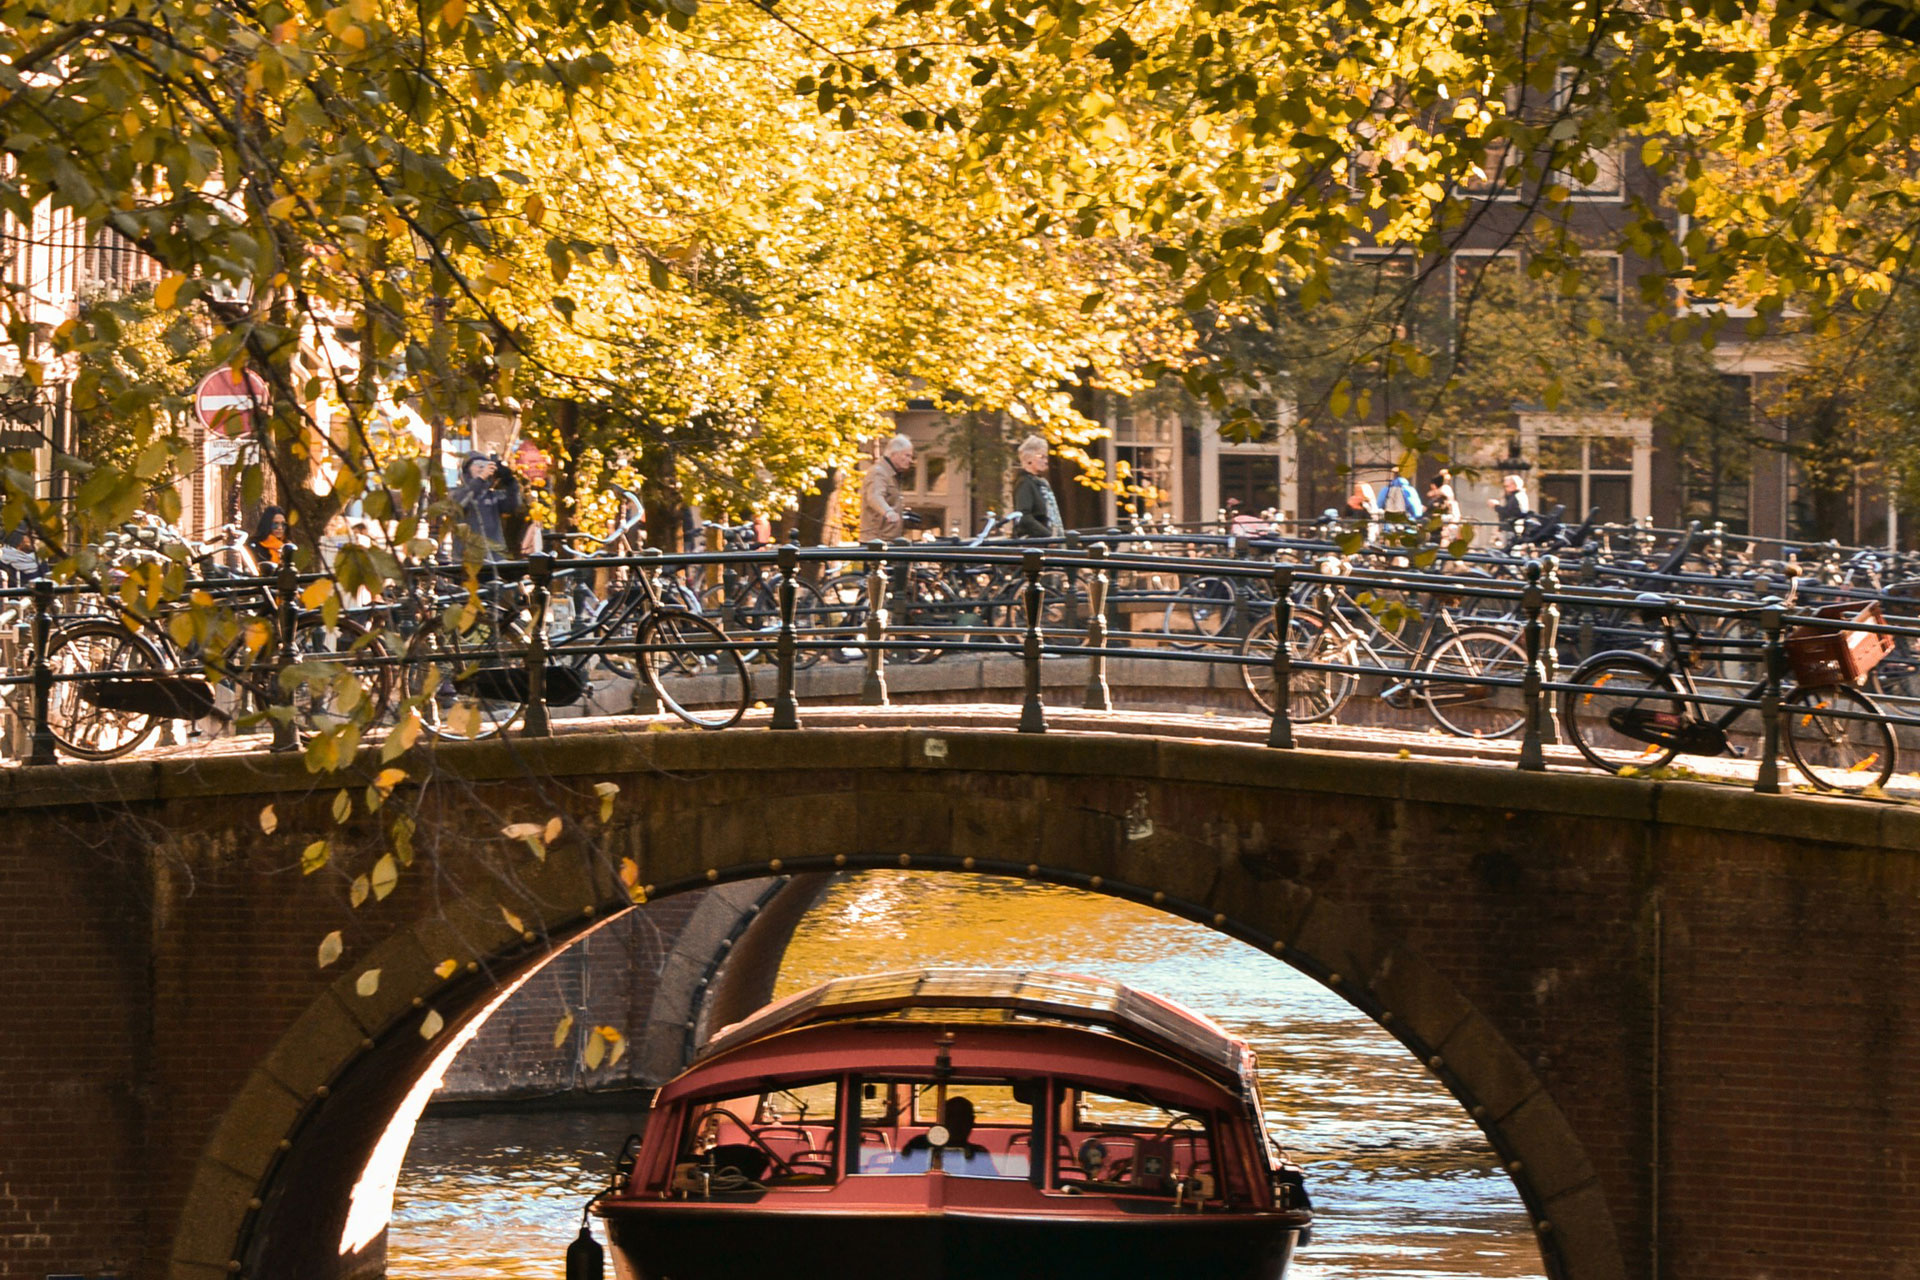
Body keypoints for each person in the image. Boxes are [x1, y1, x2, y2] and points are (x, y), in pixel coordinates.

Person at [451, 452, 525, 557]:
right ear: (467, 469)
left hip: (494, 558)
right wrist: (480, 478)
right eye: (477, 464)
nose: (482, 467)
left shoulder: (493, 495)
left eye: (485, 464)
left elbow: (513, 506)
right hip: (467, 559)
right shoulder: (457, 493)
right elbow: (459, 505)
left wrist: (510, 481)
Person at [895, 1097, 993, 1174]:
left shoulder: (979, 1155)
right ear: (941, 1121)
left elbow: (992, 1187)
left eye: (963, 1118)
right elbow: (897, 1178)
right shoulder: (918, 1146)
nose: (956, 1124)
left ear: (972, 1122)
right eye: (951, 1117)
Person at [860, 434, 915, 542]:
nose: (910, 460)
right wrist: (888, 512)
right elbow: (874, 496)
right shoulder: (879, 473)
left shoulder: (892, 475)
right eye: (907, 456)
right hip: (876, 542)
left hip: (888, 540)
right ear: (894, 454)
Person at [1010, 434, 1065, 539]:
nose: (1046, 461)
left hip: (1048, 542)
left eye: (1046, 457)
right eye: (1041, 457)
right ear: (1028, 458)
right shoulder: (1025, 483)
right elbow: (1024, 516)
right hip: (1035, 544)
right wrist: (1048, 536)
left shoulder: (1041, 483)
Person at [1426, 470, 1459, 543]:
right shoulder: (1441, 492)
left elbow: (1445, 495)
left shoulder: (1445, 489)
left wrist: (1434, 492)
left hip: (1448, 519)